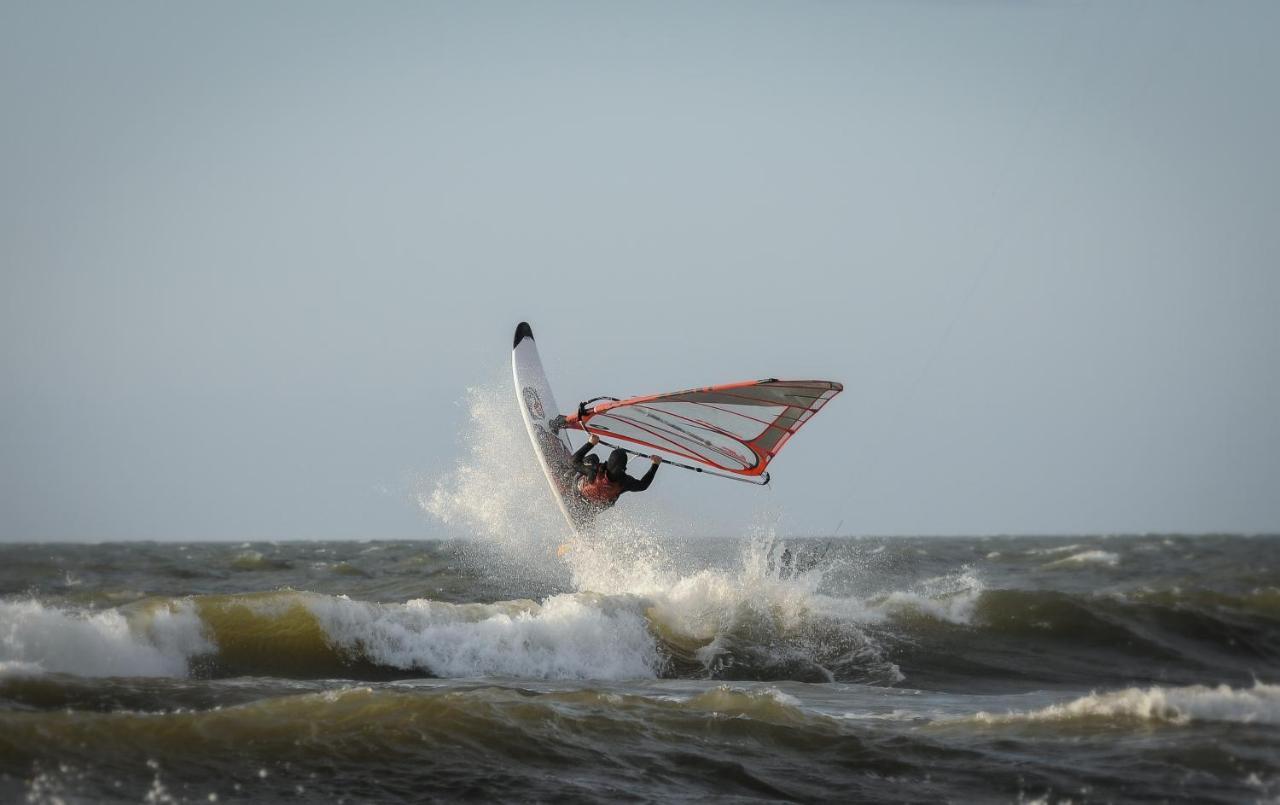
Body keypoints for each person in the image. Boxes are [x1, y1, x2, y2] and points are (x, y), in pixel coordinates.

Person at [569, 433, 661, 513]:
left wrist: (590, 443)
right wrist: (655, 465)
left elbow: (573, 461)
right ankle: (587, 517)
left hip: (576, 494)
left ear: (609, 462)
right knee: (603, 504)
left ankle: (566, 476)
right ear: (624, 468)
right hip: (592, 508)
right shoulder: (624, 482)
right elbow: (643, 485)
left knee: (593, 458)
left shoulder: (594, 471)